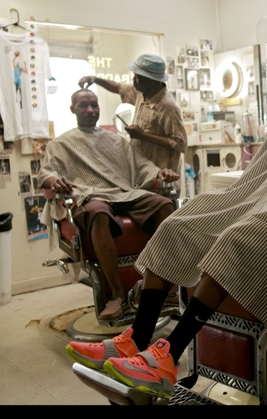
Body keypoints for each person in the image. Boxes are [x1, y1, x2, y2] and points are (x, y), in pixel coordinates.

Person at [64, 58, 267, 397]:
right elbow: (252, 185)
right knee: (179, 224)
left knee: (238, 236)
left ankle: (168, 355)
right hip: (261, 210)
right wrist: (244, 204)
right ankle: (137, 339)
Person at [38, 89, 179, 321]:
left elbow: (142, 166)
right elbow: (47, 172)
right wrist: (53, 181)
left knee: (165, 205)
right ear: (72, 109)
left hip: (124, 193)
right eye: (83, 105)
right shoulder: (60, 144)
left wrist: (159, 173)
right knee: (98, 212)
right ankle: (117, 294)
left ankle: (162, 285)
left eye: (94, 105)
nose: (90, 110)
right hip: (91, 196)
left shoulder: (116, 140)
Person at [78, 54, 187, 176]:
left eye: (138, 77)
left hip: (162, 175)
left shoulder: (167, 106)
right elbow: (118, 88)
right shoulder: (142, 93)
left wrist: (142, 135)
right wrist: (95, 79)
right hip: (143, 171)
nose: (134, 80)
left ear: (152, 81)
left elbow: (180, 143)